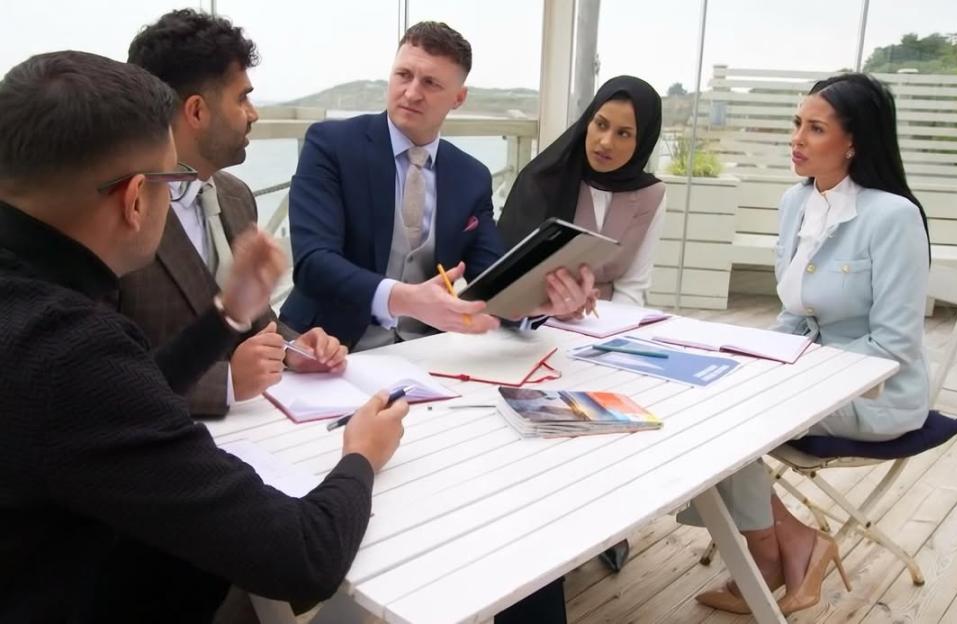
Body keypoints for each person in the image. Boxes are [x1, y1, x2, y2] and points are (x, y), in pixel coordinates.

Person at [0, 50, 407, 623]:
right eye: (174, 181)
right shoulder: (65, 349)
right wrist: (361, 456)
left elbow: (126, 401)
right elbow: (303, 556)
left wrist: (227, 314)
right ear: (135, 199)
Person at [680, 73, 930, 616]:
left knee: (724, 418)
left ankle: (769, 554)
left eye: (814, 128)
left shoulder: (893, 218)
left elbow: (894, 344)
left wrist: (793, 377)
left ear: (854, 142)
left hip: (875, 392)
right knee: (698, 395)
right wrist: (754, 360)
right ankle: (787, 540)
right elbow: (795, 314)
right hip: (805, 375)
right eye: (798, 124)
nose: (796, 138)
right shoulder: (795, 202)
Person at [280, 20, 593, 351]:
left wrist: (536, 304)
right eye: (404, 75)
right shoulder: (330, 145)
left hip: (425, 353)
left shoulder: (471, 176)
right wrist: (406, 299)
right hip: (325, 348)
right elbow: (313, 262)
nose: (412, 93)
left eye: (430, 83)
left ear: (458, 98)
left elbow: (491, 277)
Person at [114, 9, 346, 419]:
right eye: (242, 98)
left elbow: (255, 318)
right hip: (160, 448)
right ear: (197, 112)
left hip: (259, 430)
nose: (254, 114)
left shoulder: (236, 196)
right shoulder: (117, 213)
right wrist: (224, 385)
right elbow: (103, 378)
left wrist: (293, 349)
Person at [499, 75, 667, 313]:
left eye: (624, 134)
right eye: (601, 124)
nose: (606, 142)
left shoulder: (651, 196)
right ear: (588, 121)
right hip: (539, 321)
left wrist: (607, 335)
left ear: (642, 142)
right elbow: (510, 281)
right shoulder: (543, 181)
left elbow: (632, 288)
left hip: (611, 325)